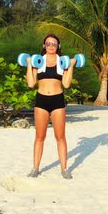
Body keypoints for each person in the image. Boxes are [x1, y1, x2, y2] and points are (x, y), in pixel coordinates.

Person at [25, 34, 77, 179]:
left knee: (60, 136)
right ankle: (35, 168)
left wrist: (71, 65)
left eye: (54, 43)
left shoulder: (63, 62)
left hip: (57, 101)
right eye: (48, 43)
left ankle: (64, 168)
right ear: (44, 46)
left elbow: (66, 84)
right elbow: (30, 83)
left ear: (58, 46)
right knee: (39, 137)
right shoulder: (38, 62)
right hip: (41, 101)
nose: (51, 46)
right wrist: (29, 63)